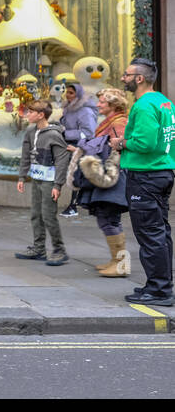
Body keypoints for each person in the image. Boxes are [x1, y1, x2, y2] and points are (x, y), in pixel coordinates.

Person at [112, 58, 175, 306]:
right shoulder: (163, 101)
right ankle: (159, 284)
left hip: (146, 175)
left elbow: (146, 143)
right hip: (161, 172)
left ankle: (160, 290)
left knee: (150, 234)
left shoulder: (145, 105)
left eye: (126, 75)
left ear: (139, 78)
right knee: (160, 232)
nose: (122, 78)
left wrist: (121, 143)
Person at [73, 87, 130, 279]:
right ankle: (116, 260)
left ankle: (120, 264)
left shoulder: (119, 123)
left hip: (113, 176)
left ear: (113, 104)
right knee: (106, 217)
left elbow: (118, 150)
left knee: (108, 217)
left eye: (102, 102)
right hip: (109, 173)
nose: (98, 105)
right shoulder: (112, 121)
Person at [14, 99, 71, 266]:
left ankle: (59, 250)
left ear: (41, 115)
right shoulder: (30, 133)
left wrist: (57, 185)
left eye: (31, 112)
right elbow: (25, 156)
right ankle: (39, 248)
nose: (27, 114)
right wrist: (22, 177)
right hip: (37, 179)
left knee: (48, 215)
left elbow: (62, 159)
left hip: (49, 181)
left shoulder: (53, 134)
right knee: (36, 214)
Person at [58, 82, 98, 217]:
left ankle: (73, 205)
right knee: (75, 174)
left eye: (71, 93)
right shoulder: (70, 108)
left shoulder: (85, 111)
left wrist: (66, 133)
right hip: (69, 145)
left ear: (78, 95)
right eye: (67, 92)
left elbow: (88, 132)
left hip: (79, 146)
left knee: (77, 176)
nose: (67, 95)